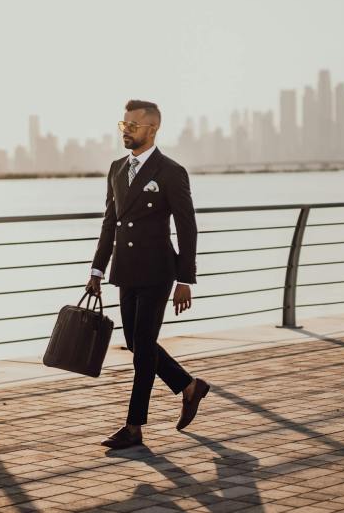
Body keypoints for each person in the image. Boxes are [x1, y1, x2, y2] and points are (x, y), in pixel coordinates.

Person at [86, 99, 211, 449]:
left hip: (158, 271)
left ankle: (134, 427)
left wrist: (185, 279)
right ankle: (189, 386)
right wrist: (97, 269)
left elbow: (187, 227)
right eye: (122, 124)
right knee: (136, 342)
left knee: (142, 350)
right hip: (125, 271)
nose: (125, 131)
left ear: (152, 129)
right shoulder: (115, 168)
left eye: (133, 126)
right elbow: (110, 222)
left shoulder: (171, 171)